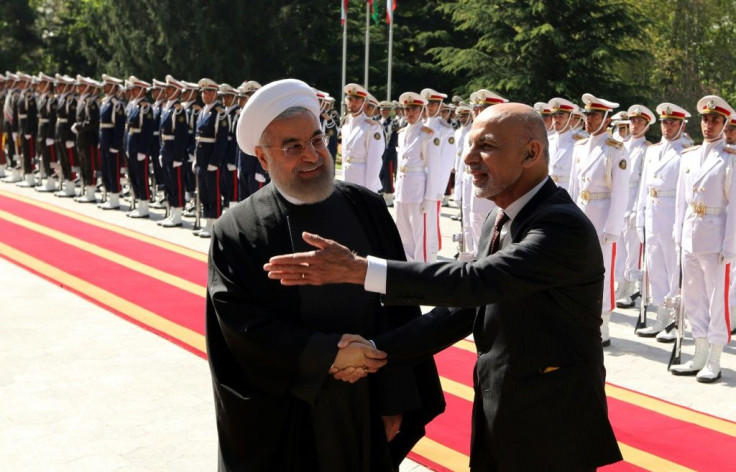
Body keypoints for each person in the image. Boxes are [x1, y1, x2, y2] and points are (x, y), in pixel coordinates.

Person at [265, 102, 622, 472]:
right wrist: (374, 352)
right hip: (502, 417)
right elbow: (464, 311)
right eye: (469, 144)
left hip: (552, 429)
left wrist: (359, 271)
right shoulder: (503, 219)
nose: (468, 158)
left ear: (531, 152)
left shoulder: (559, 227)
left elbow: (475, 283)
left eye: (486, 146)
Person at [206, 79, 444, 472]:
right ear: (263, 159)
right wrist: (326, 353)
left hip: (365, 404)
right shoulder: (238, 230)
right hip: (289, 418)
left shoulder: (365, 207)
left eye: (317, 140)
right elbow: (241, 330)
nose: (312, 156)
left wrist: (394, 401)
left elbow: (398, 309)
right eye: (292, 147)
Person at [671, 95, 736, 383]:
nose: (709, 125)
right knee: (693, 297)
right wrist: (677, 231)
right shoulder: (689, 155)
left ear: (724, 124)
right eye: (706, 119)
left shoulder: (730, 159)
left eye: (715, 121)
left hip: (715, 237)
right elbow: (680, 201)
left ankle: (714, 358)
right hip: (690, 235)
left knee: (715, 300)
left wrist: (730, 245)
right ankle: (698, 353)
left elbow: (734, 206)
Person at [569, 93, 631, 347]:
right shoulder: (580, 146)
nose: (588, 120)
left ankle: (603, 324)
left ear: (606, 119)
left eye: (594, 115)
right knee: (577, 269)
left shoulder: (616, 149)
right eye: (586, 115)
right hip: (581, 212)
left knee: (602, 271)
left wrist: (612, 228)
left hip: (603, 216)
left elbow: (620, 192)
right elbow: (573, 187)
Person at [634, 103, 690, 339]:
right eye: (665, 122)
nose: (667, 127)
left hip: (672, 214)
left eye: (672, 123)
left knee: (673, 268)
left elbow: (686, 192)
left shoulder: (686, 151)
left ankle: (677, 318)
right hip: (652, 212)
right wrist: (639, 215)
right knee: (655, 266)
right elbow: (643, 187)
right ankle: (661, 315)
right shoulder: (653, 150)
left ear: (682, 125)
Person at [615, 105, 655, 309]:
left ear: (647, 126)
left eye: (640, 122)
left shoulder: (646, 149)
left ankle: (632, 287)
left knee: (633, 249)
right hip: (619, 200)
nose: (635, 125)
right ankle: (621, 284)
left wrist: (637, 209)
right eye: (633, 121)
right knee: (620, 247)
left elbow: (643, 183)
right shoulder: (620, 145)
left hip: (633, 200)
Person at [340, 83, 384, 192]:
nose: (352, 103)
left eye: (357, 100)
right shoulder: (346, 125)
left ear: (364, 103)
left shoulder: (371, 127)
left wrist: (370, 190)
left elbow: (375, 161)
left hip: (363, 183)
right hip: (347, 180)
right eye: (350, 99)